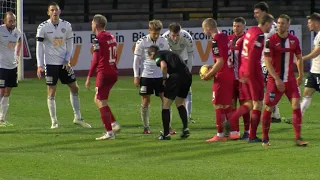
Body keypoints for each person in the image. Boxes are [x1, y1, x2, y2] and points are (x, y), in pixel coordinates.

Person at [36, 2, 91, 129]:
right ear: (48, 12)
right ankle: (54, 121)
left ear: (60, 12)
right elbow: (39, 47)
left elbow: (70, 43)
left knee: (75, 87)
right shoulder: (42, 27)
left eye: (56, 10)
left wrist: (67, 59)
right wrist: (40, 65)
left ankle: (78, 117)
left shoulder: (66, 25)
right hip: (50, 64)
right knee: (51, 92)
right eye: (52, 10)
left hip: (63, 63)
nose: (54, 12)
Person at [262, 14, 308, 146]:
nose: (280, 25)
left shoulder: (294, 40)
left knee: (296, 106)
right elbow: (267, 61)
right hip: (274, 81)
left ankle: (298, 138)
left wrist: (300, 75)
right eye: (279, 23)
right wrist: (277, 79)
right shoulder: (270, 40)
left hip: (290, 80)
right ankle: (265, 138)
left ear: (288, 25)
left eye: (283, 23)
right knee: (269, 107)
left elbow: (299, 57)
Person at [228, 13, 275, 142]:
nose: (272, 27)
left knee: (249, 103)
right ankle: (252, 135)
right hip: (253, 72)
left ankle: (232, 120)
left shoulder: (251, 31)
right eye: (271, 24)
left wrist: (243, 72)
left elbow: (244, 53)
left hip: (244, 70)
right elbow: (253, 55)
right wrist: (250, 73)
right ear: (266, 23)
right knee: (258, 103)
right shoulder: (260, 35)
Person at [133, 19, 173, 134]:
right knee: (145, 101)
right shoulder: (142, 41)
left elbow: (168, 58)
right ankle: (146, 127)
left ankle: (168, 127)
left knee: (166, 101)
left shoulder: (164, 41)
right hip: (146, 76)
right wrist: (136, 76)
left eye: (158, 33)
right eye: (154, 33)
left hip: (160, 75)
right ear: (149, 30)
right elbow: (136, 60)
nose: (156, 35)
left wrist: (168, 74)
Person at [85, 14, 120, 140]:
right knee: (98, 99)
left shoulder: (98, 39)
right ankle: (114, 124)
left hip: (104, 73)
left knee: (101, 101)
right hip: (113, 71)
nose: (91, 25)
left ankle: (109, 133)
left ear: (96, 25)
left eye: (92, 23)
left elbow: (95, 59)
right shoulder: (111, 37)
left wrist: (89, 76)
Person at [201, 18, 236, 142]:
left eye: (204, 28)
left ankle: (220, 135)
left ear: (208, 28)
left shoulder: (215, 40)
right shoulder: (224, 37)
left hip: (222, 75)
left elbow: (220, 62)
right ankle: (233, 132)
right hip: (230, 73)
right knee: (226, 105)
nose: (203, 31)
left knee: (217, 104)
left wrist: (208, 74)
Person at [147, 45, 192, 140]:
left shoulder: (157, 55)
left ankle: (166, 134)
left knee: (166, 105)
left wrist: (164, 78)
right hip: (187, 76)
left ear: (152, 54)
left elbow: (163, 66)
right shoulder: (169, 53)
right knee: (180, 103)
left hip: (175, 77)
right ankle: (185, 128)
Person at [253, 1, 281, 123]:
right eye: (254, 13)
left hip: (268, 62)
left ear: (264, 12)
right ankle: (275, 114)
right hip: (265, 62)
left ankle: (273, 113)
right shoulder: (270, 26)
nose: (255, 15)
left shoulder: (270, 28)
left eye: (257, 12)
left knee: (267, 88)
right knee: (268, 88)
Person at [162, 22, 195, 123]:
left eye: (177, 35)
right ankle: (169, 116)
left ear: (180, 32)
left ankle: (188, 116)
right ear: (169, 33)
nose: (175, 38)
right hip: (171, 62)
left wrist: (188, 72)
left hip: (183, 61)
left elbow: (190, 55)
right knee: (169, 91)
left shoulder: (187, 37)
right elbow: (164, 59)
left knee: (187, 90)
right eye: (173, 35)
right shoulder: (164, 38)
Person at [228, 17, 250, 139]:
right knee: (232, 105)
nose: (236, 28)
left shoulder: (247, 40)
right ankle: (235, 131)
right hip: (232, 79)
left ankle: (247, 130)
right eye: (234, 26)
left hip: (243, 78)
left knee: (244, 105)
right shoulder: (229, 39)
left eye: (238, 26)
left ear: (244, 27)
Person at [0, 12, 21, 127]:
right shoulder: (0, 30)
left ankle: (2, 119)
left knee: (8, 91)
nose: (13, 23)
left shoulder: (17, 32)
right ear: (5, 21)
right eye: (10, 21)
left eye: (14, 20)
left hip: (12, 66)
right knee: (1, 91)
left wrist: (17, 55)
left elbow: (19, 42)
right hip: (1, 66)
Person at [301, 13, 320, 115]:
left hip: (319, 72)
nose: (308, 25)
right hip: (314, 71)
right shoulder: (317, 35)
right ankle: (298, 117)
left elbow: (317, 52)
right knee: (306, 93)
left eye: (309, 22)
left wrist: (302, 58)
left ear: (316, 23)